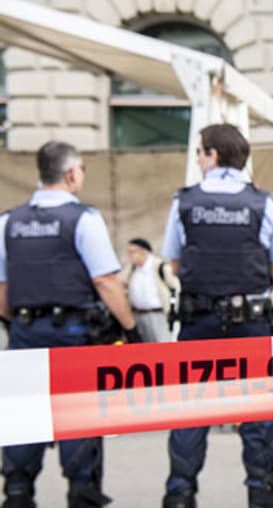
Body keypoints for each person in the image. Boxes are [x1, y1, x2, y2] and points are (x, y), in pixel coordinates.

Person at [0, 140, 139, 508]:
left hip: (25, 333)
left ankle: (17, 488)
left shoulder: (9, 221)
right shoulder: (83, 219)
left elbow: (1, 286)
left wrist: (17, 321)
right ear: (72, 173)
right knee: (77, 411)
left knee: (24, 411)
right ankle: (81, 489)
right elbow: (106, 281)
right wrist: (130, 327)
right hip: (75, 335)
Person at [160, 124, 273, 508]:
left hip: (198, 321)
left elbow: (174, 263)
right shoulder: (264, 203)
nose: (198, 159)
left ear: (214, 154)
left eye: (200, 152)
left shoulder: (183, 202)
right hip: (250, 322)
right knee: (258, 411)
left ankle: (181, 494)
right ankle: (262, 493)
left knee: (191, 409)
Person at [124, 237, 179, 342]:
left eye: (132, 252)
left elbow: (175, 288)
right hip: (139, 315)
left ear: (143, 251)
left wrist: (173, 310)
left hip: (159, 314)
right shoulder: (131, 270)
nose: (130, 256)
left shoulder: (160, 267)